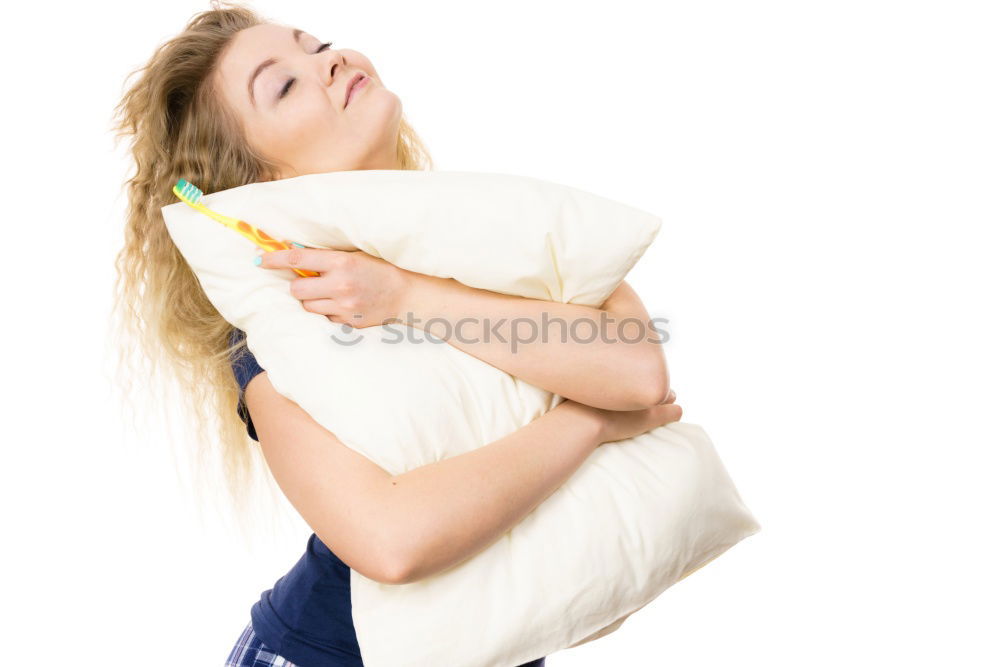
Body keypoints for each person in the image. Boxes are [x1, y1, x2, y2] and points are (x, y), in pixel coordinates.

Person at [112, 3, 681, 665]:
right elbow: (391, 542)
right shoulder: (280, 329)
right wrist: (589, 424)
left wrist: (405, 294)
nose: (329, 60)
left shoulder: (487, 227)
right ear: (264, 181)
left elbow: (638, 373)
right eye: (285, 84)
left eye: (316, 43)